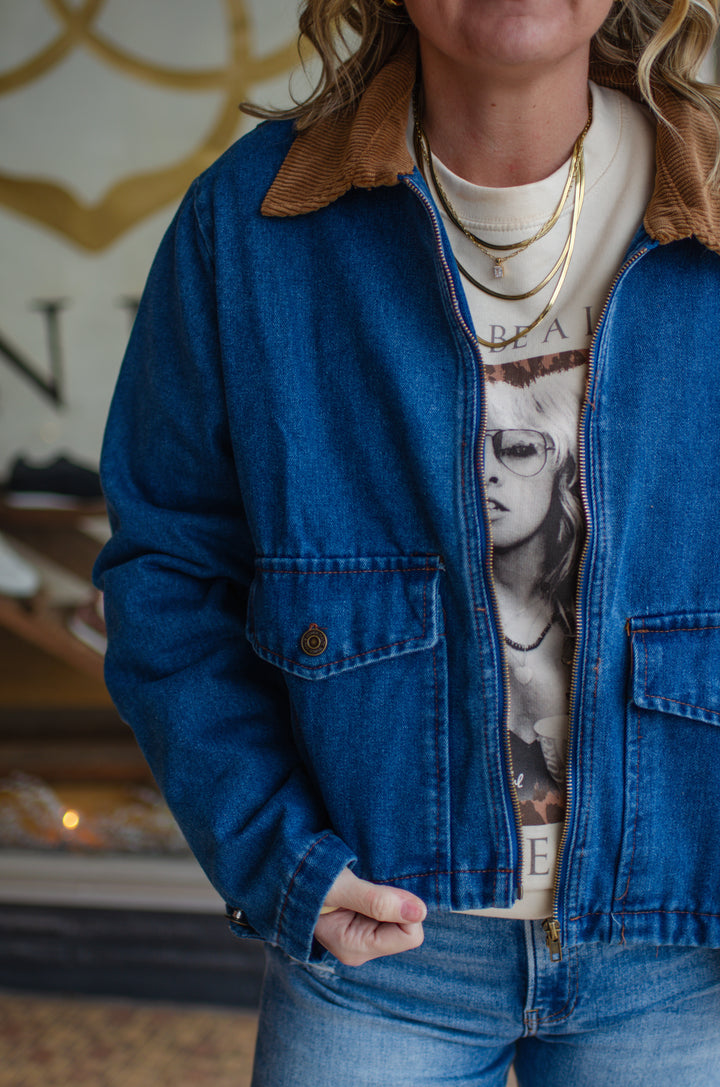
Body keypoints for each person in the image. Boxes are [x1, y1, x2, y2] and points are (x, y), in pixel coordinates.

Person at [94, 0, 720, 1082]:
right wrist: (276, 854)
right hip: (381, 950)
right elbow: (168, 572)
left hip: (688, 951)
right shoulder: (248, 225)